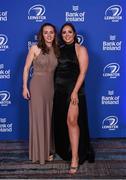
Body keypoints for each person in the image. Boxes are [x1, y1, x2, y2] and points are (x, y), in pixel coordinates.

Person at [53, 23, 95, 174]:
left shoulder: (81, 49)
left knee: (72, 121)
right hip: (59, 92)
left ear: (75, 33)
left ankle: (75, 158)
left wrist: (75, 91)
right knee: (61, 123)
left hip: (74, 91)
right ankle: (66, 150)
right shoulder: (59, 50)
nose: (66, 35)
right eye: (64, 32)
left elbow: (83, 73)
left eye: (69, 32)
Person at [22, 23, 58, 164]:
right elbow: (26, 68)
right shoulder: (34, 48)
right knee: (38, 118)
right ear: (41, 35)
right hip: (36, 86)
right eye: (45, 32)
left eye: (51, 32)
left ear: (55, 34)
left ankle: (47, 149)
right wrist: (25, 87)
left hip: (51, 88)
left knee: (48, 118)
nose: (48, 35)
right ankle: (38, 152)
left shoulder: (57, 50)